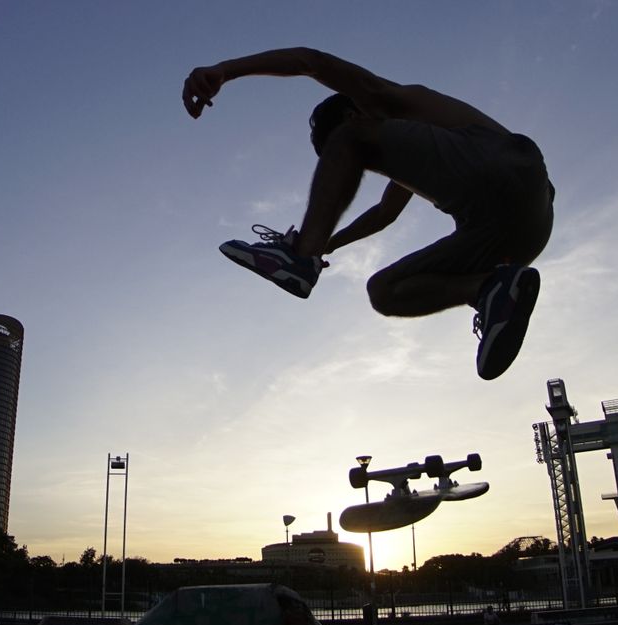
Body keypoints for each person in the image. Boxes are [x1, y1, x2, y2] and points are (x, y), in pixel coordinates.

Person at [183, 47, 555, 380]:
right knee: (384, 291)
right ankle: (491, 289)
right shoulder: (431, 157)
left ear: (352, 111)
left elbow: (309, 62)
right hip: (524, 232)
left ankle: (297, 256)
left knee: (351, 139)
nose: (371, 166)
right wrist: (327, 245)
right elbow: (383, 212)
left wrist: (225, 70)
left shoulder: (382, 102)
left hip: (508, 163)